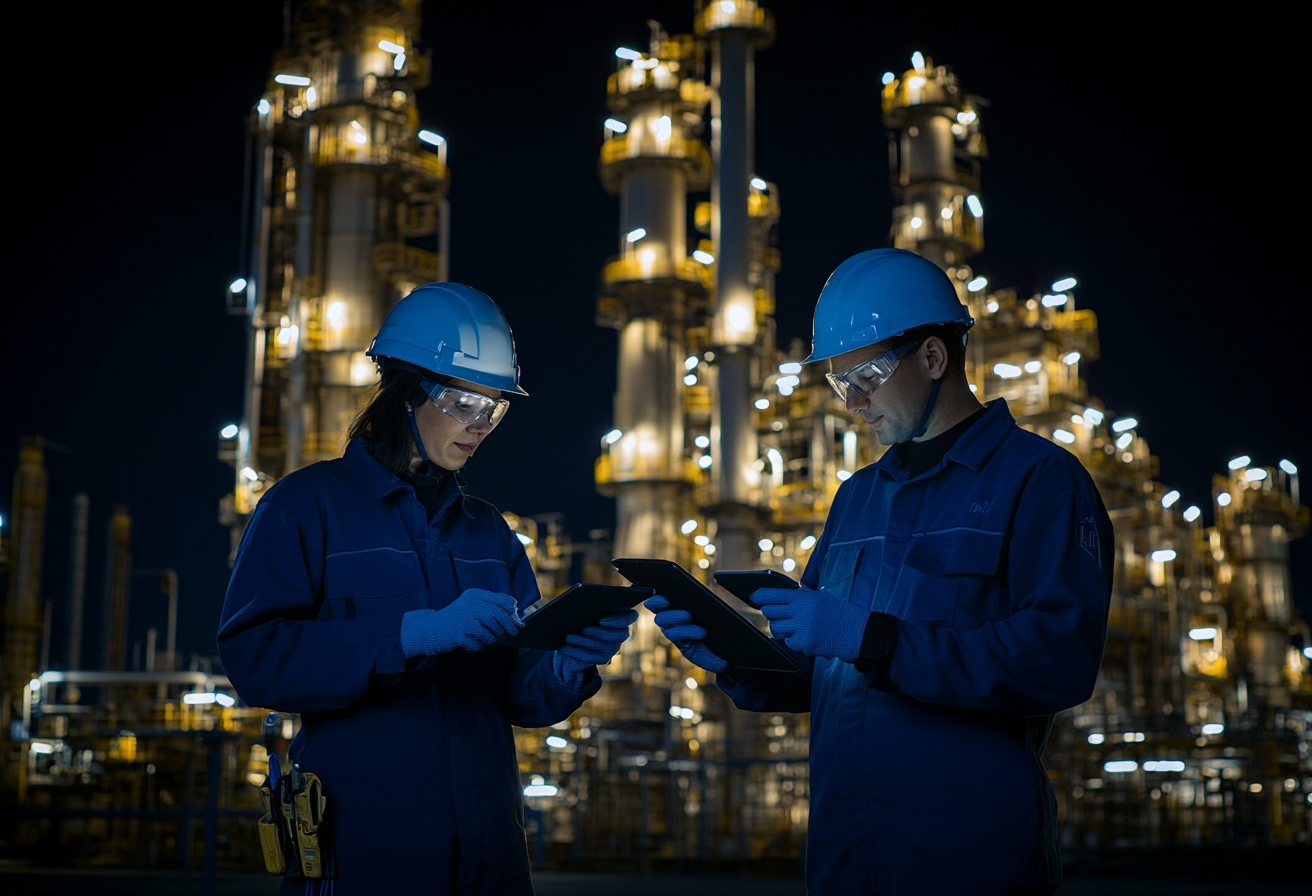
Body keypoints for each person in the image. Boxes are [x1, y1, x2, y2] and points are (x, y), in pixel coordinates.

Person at [648, 249, 1113, 895]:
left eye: (865, 375)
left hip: (967, 858)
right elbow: (816, 669)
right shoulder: (857, 496)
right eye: (840, 384)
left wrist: (874, 638)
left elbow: (1058, 658)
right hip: (847, 854)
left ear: (932, 356)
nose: (853, 401)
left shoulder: (1039, 481)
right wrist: (731, 653)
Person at [218, 283, 636, 895]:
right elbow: (255, 660)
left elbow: (521, 698)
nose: (481, 426)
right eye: (467, 403)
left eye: (495, 409)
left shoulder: (487, 531)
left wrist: (566, 664)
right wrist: (411, 634)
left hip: (488, 852)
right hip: (367, 854)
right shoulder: (306, 508)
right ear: (407, 392)